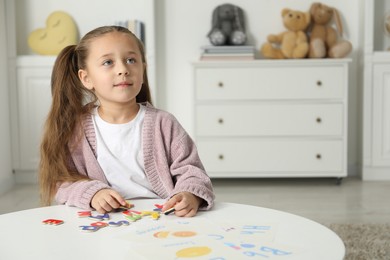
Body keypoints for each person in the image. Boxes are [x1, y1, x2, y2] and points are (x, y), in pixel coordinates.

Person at [39, 25, 214, 217]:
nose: (123, 69)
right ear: (86, 78)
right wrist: (93, 193)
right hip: (103, 224)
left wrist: (189, 195)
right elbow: (63, 182)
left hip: (161, 220)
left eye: (131, 60)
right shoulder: (76, 129)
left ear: (143, 69)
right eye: (108, 62)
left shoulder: (164, 124)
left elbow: (192, 172)